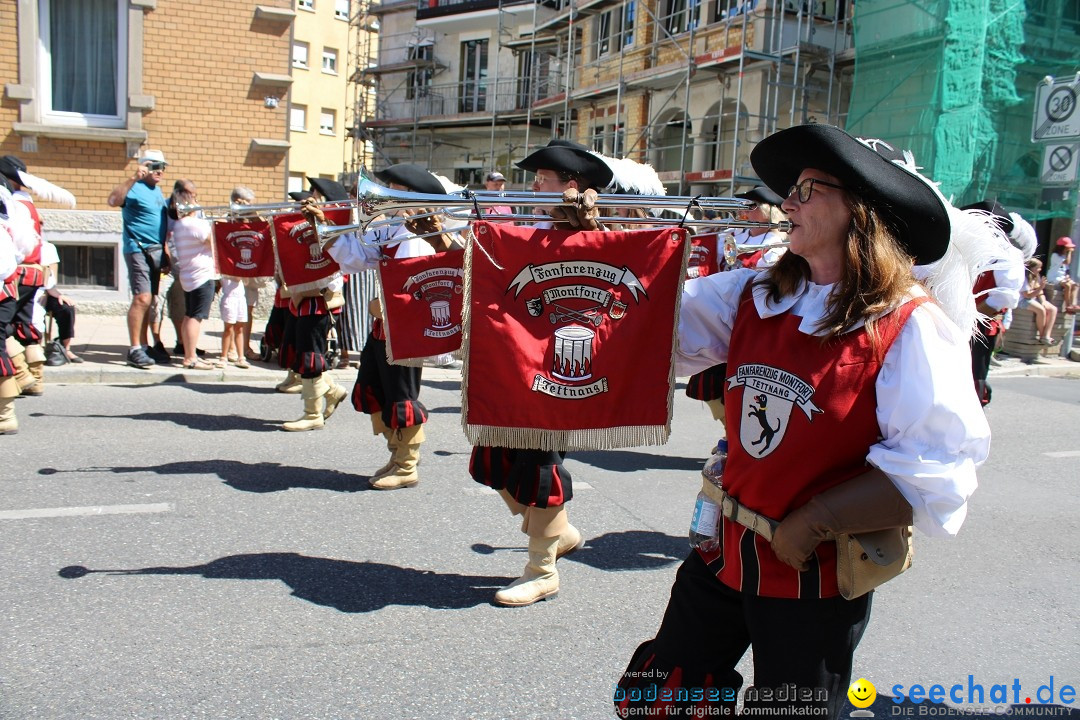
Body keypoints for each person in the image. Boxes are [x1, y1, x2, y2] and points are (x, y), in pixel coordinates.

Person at [616, 124, 990, 719]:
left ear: (861, 211)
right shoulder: (755, 292)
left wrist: (815, 521)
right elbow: (646, 327)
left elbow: (935, 471)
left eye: (808, 189)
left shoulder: (910, 326)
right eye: (791, 188)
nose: (786, 203)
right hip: (723, 546)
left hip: (810, 571)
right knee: (668, 693)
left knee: (790, 710)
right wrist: (584, 250)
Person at [468, 139, 614, 607]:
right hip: (518, 362)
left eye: (543, 179)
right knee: (493, 458)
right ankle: (561, 530)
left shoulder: (594, 231)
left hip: (563, 372)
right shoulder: (530, 226)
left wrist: (585, 232)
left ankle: (542, 570)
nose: (533, 185)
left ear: (571, 186)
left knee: (539, 465)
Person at [305, 164, 458, 481]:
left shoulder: (423, 233)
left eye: (393, 189)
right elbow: (356, 257)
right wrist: (323, 227)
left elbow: (419, 284)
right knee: (375, 390)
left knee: (402, 395)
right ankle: (395, 453)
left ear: (409, 194)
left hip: (404, 329)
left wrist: (386, 306)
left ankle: (407, 464)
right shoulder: (389, 227)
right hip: (384, 324)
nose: (384, 194)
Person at [686, 186, 788, 427]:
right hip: (722, 312)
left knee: (739, 384)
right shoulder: (737, 233)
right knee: (708, 381)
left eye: (752, 206)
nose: (746, 211)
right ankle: (727, 430)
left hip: (750, 316)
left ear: (768, 211)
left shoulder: (776, 241)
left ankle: (732, 436)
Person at [0, 155, 76, 396]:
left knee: (9, 328)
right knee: (25, 326)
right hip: (32, 271)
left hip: (18, 270)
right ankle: (34, 380)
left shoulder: (13, 203)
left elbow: (19, 243)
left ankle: (22, 377)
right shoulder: (27, 202)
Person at [278, 177, 349, 432]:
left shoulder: (333, 229)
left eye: (316, 196)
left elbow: (333, 274)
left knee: (311, 357)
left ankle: (312, 413)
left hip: (319, 302)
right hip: (303, 301)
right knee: (303, 356)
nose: (310, 200)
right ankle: (331, 390)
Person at [107, 150, 169, 369]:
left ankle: (143, 346)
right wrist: (134, 177)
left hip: (156, 251)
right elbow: (113, 200)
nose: (160, 170)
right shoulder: (135, 187)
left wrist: (167, 253)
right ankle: (134, 349)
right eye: (155, 166)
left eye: (163, 166)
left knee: (150, 301)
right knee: (142, 298)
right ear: (145, 166)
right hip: (138, 249)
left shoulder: (158, 191)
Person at [960, 200, 1025, 406]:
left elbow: (1003, 297)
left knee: (974, 376)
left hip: (980, 324)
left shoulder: (1007, 255)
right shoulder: (970, 249)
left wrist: (967, 317)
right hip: (960, 321)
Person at [168, 183, 218, 370]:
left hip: (189, 275)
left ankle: (191, 354)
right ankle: (190, 358)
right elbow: (215, 242)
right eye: (195, 199)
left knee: (190, 315)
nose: (198, 203)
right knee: (195, 317)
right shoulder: (194, 224)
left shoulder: (179, 225)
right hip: (201, 276)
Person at [38, 239, 82, 363]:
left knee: (66, 308)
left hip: (45, 291)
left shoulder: (47, 248)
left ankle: (65, 348)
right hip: (23, 293)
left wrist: (58, 295)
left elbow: (52, 281)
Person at [1017, 257, 1058, 344]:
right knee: (1041, 310)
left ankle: (1046, 334)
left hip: (1033, 298)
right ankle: (1043, 336)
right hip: (1023, 300)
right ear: (1030, 268)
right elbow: (1027, 295)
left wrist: (1043, 301)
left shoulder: (1036, 277)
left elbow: (1040, 292)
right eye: (1037, 268)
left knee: (1053, 309)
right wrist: (1040, 287)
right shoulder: (1024, 278)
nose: (1039, 270)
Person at [1047, 236, 1078, 313]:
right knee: (1067, 285)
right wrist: (1070, 252)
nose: (1068, 249)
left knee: (1076, 285)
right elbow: (1067, 262)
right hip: (1054, 277)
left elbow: (1066, 268)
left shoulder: (1064, 256)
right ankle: (1068, 306)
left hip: (1062, 277)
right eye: (1067, 248)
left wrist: (1067, 276)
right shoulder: (1055, 255)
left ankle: (1073, 304)